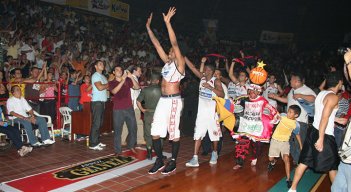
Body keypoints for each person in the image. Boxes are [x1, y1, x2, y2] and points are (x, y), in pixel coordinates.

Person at [146, 7, 186, 174]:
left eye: (172, 51)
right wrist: (148, 28)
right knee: (155, 130)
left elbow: (175, 43)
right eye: (169, 51)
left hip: (174, 100)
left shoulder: (180, 64)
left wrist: (168, 24)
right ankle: (160, 159)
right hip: (163, 100)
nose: (170, 51)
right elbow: (156, 44)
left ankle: (174, 161)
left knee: (173, 131)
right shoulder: (167, 63)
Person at [288, 72, 343, 192]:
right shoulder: (333, 97)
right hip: (325, 134)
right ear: (339, 82)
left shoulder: (321, 93)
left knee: (303, 162)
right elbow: (324, 117)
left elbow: (322, 113)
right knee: (333, 166)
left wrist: (336, 119)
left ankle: (292, 189)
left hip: (312, 131)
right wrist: (321, 138)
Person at [184, 56, 224, 167]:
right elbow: (192, 68)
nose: (204, 71)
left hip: (212, 114)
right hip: (201, 114)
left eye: (206, 70)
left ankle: (215, 153)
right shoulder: (201, 78)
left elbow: (222, 94)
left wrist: (210, 88)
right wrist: (184, 57)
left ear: (210, 71)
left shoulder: (216, 81)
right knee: (198, 135)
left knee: (214, 136)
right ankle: (195, 158)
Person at [269, 72, 316, 164]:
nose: (290, 81)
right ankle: (298, 160)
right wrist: (275, 97)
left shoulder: (306, 89)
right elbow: (287, 100)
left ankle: (302, 163)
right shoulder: (292, 90)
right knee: (290, 142)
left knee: (298, 143)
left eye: (291, 80)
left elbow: (314, 98)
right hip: (288, 121)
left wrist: (301, 96)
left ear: (297, 81)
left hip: (300, 122)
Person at [233, 84, 278, 170]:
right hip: (245, 125)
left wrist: (274, 118)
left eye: (255, 91)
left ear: (258, 92)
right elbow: (233, 105)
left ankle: (255, 157)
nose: (252, 92)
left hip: (257, 127)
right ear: (248, 91)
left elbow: (272, 110)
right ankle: (239, 162)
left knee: (257, 146)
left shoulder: (263, 101)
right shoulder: (243, 99)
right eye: (251, 90)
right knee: (241, 144)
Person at [267, 105, 302, 189]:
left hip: (285, 143)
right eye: (288, 111)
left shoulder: (296, 124)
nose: (288, 113)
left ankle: (288, 178)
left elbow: (297, 135)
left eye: (290, 112)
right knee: (270, 158)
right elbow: (275, 116)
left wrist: (301, 145)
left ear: (296, 115)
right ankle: (273, 162)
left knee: (286, 159)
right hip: (275, 140)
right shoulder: (283, 115)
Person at [331, 48, 351, 192]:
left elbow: (343, 119)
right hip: (346, 159)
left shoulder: (344, 97)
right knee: (336, 189)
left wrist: (349, 62)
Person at [109, 65, 140, 156]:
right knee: (118, 131)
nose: (119, 71)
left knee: (133, 128)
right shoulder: (112, 82)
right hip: (118, 110)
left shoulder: (128, 80)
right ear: (114, 72)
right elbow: (114, 91)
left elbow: (137, 87)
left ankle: (131, 145)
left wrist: (131, 77)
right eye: (117, 69)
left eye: (120, 69)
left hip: (129, 108)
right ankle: (118, 150)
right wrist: (122, 80)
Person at [136, 73, 162, 160]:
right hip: (159, 114)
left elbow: (138, 101)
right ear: (158, 81)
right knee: (160, 134)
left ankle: (149, 153)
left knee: (148, 134)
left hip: (148, 114)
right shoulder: (162, 90)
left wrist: (142, 110)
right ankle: (159, 154)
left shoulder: (145, 90)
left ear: (150, 81)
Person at [88, 60, 108, 151]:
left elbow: (106, 88)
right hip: (97, 102)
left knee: (100, 123)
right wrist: (109, 84)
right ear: (96, 66)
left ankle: (96, 141)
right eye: (100, 63)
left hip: (102, 102)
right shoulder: (95, 75)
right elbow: (100, 87)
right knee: (96, 123)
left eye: (103, 64)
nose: (102, 65)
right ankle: (92, 144)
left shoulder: (103, 76)